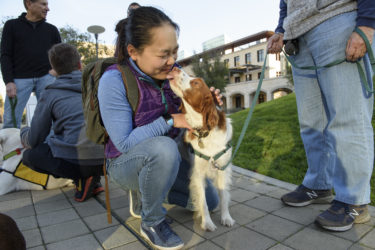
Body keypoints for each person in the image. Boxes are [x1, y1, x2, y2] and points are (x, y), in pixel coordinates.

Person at [98, 6, 220, 250]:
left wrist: (208, 106)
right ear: (133, 51)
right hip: (125, 162)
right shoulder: (113, 80)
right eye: (164, 54)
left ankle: (153, 189)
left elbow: (195, 120)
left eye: (175, 52)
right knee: (163, 148)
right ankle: (152, 220)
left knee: (210, 202)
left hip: (172, 156)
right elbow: (123, 143)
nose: (172, 61)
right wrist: (171, 120)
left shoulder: (173, 74)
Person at [267, 0, 375, 232]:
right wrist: (281, 30)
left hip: (338, 19)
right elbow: (286, 3)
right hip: (298, 38)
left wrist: (367, 22)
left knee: (348, 117)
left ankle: (354, 200)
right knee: (311, 121)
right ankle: (319, 185)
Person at [20, 43, 104, 202]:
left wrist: (23, 133)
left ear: (54, 70)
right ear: (80, 64)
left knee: (30, 156)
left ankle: (81, 177)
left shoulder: (50, 92)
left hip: (77, 162)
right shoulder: (99, 85)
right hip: (107, 160)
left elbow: (34, 139)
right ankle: (93, 178)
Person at [0, 0, 61, 128]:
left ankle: (47, 148)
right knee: (11, 121)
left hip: (46, 78)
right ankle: (12, 149)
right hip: (18, 80)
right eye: (43, 4)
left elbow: (60, 54)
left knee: (50, 120)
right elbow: (5, 55)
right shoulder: (11, 25)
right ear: (29, 4)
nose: (47, 8)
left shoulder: (52, 30)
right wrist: (9, 81)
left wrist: (54, 72)